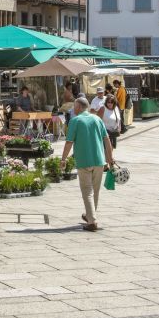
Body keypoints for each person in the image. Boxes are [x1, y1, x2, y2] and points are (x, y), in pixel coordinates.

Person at [61, 97, 114, 232]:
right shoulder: (97, 119)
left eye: (74, 106)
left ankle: (92, 221)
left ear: (79, 107)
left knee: (87, 191)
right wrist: (110, 158)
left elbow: (69, 142)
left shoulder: (75, 121)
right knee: (95, 191)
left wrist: (63, 159)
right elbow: (107, 140)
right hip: (99, 161)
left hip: (84, 161)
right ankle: (90, 215)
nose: (73, 109)